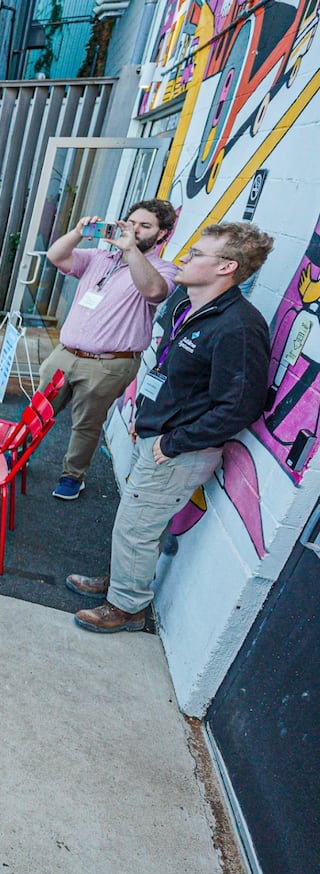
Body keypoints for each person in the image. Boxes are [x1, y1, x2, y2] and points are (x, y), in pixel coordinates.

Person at [67, 222, 274, 633]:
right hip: (157, 434)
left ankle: (126, 608)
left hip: (178, 449)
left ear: (226, 267)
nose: (186, 257)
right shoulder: (189, 305)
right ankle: (124, 583)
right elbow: (170, 373)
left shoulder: (239, 326)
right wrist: (144, 416)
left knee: (136, 527)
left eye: (198, 254)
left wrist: (174, 441)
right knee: (138, 523)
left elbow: (240, 406)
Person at [40, 200, 180, 500]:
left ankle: (72, 477)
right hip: (65, 354)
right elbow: (56, 256)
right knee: (39, 411)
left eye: (145, 226)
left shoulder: (164, 269)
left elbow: (154, 291)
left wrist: (130, 250)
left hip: (109, 364)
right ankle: (16, 453)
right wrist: (78, 232)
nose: (134, 229)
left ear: (162, 234)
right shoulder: (100, 257)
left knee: (86, 425)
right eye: (131, 222)